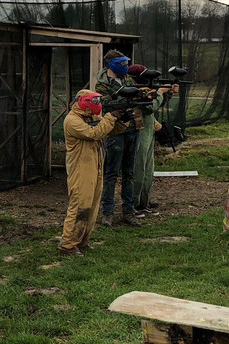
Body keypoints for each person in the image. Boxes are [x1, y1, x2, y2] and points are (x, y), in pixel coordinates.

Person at [59, 89, 126, 256]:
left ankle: (82, 241)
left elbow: (109, 130)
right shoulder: (72, 120)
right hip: (80, 169)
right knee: (80, 206)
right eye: (94, 101)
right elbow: (94, 133)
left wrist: (123, 120)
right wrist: (111, 116)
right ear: (82, 101)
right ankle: (67, 244)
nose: (97, 104)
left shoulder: (91, 117)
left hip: (95, 167)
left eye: (98, 101)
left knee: (93, 206)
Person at [95, 50, 143, 227]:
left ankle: (128, 212)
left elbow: (138, 97)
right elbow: (104, 104)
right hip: (115, 130)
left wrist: (147, 95)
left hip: (133, 127)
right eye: (121, 64)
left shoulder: (128, 79)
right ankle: (107, 213)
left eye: (125, 64)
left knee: (129, 173)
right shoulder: (102, 84)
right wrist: (123, 97)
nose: (125, 67)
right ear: (111, 65)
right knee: (111, 173)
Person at [127, 64, 178, 215]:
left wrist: (168, 93)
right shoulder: (134, 90)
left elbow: (154, 103)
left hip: (148, 130)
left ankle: (144, 202)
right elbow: (149, 107)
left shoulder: (145, 90)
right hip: (139, 130)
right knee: (139, 168)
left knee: (148, 169)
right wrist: (161, 92)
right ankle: (134, 204)